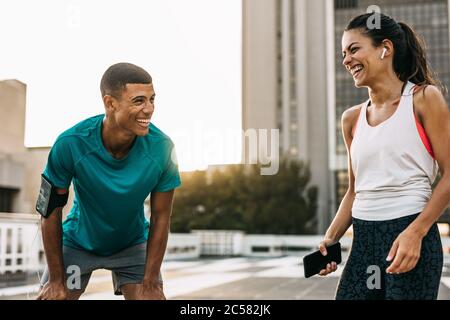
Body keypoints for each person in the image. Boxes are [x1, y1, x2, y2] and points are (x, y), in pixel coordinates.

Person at [318, 13, 450, 300]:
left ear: (385, 48)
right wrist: (331, 237)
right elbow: (354, 191)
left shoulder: (423, 98)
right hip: (363, 241)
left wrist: (417, 232)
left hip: (409, 235)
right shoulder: (351, 119)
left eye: (354, 49)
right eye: (343, 53)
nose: (346, 60)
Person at [36, 62, 181, 300]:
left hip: (131, 245)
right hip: (78, 244)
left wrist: (152, 279)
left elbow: (161, 216)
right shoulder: (71, 144)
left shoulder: (163, 149)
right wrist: (55, 280)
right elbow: (49, 211)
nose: (149, 109)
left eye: (152, 99)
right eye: (138, 101)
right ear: (110, 103)